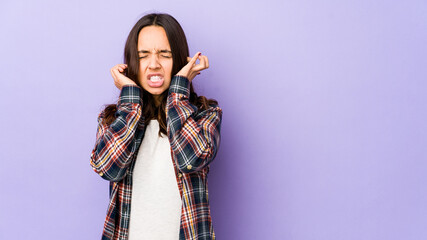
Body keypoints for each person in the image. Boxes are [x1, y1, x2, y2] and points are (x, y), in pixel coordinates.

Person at [89, 12, 223, 240]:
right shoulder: (113, 118)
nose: (153, 65)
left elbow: (191, 160)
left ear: (180, 61)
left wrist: (179, 88)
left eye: (165, 54)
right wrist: (130, 99)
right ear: (132, 61)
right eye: (143, 55)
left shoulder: (205, 115)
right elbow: (106, 168)